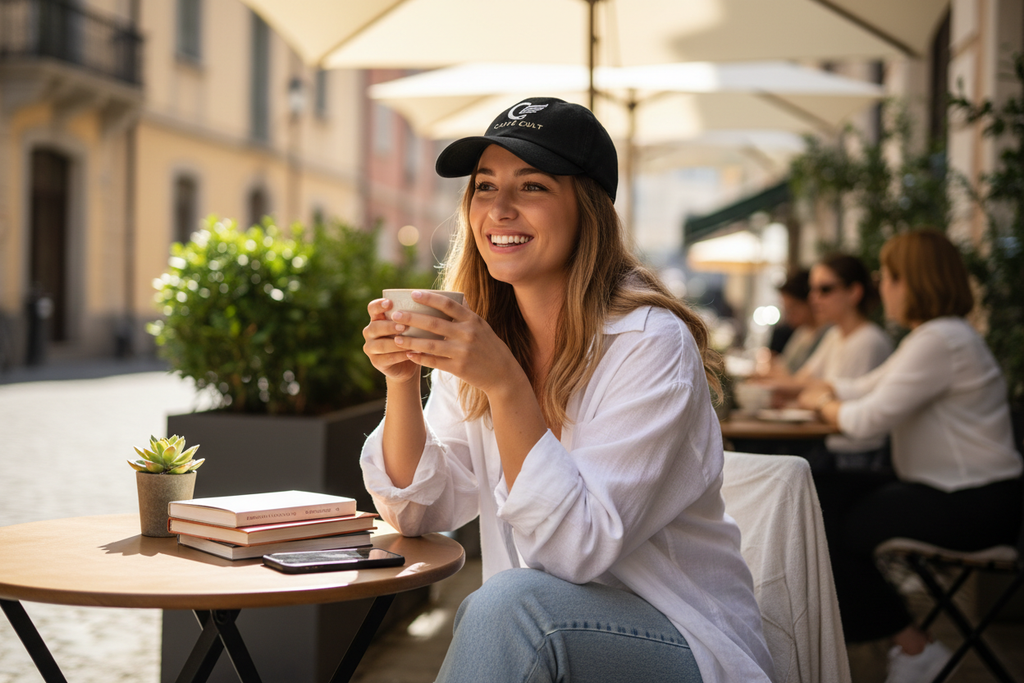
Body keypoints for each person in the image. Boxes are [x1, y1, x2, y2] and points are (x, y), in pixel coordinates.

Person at [360, 97, 775, 683]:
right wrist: (401, 382)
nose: (499, 209)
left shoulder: (648, 342)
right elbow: (420, 511)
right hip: (545, 634)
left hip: (684, 638)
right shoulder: (485, 334)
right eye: (483, 187)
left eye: (531, 187)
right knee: (509, 609)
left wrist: (506, 385)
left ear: (586, 208)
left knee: (508, 608)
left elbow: (578, 550)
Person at [796, 229, 1023, 683]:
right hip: (949, 489)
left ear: (912, 281)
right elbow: (868, 387)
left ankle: (914, 646)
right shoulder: (936, 337)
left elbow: (867, 420)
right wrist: (827, 391)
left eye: (890, 276)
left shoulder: (943, 340)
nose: (882, 286)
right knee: (812, 493)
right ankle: (900, 641)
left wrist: (822, 402)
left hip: (972, 503)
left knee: (818, 519)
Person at [768, 253, 893, 469]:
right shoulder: (835, 335)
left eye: (824, 289)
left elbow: (835, 400)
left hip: (856, 458)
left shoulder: (868, 341)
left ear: (854, 292)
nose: (814, 298)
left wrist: (810, 396)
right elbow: (803, 381)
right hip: (833, 448)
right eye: (812, 290)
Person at [769, 268, 828, 375]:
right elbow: (783, 368)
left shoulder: (827, 333)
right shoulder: (802, 332)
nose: (789, 316)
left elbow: (801, 378)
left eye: (793, 309)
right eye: (786, 310)